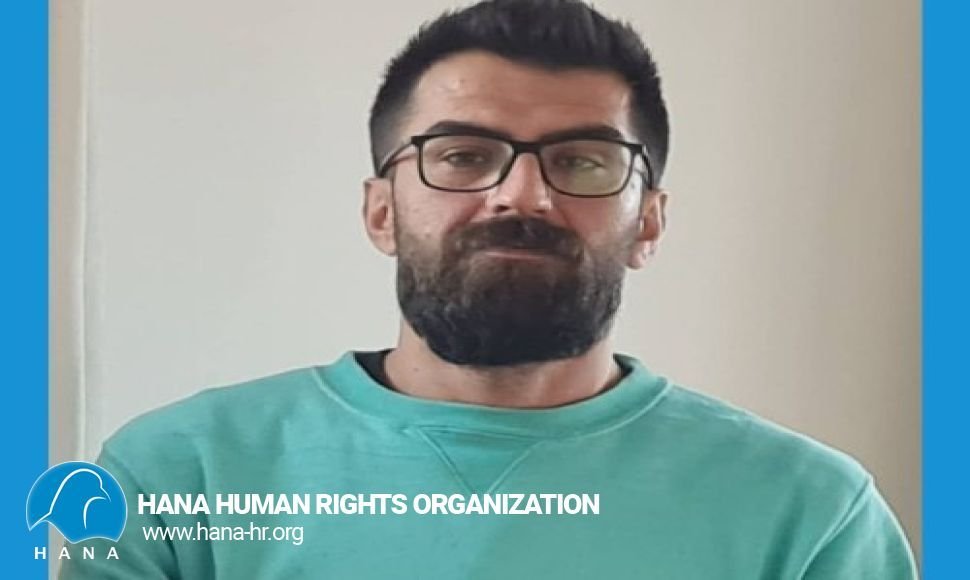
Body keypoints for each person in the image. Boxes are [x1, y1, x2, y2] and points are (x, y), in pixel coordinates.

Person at [61, 0, 918, 578]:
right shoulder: (181, 476)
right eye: (463, 155)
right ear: (381, 212)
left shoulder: (807, 514)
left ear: (649, 222)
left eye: (583, 160)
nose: (521, 195)